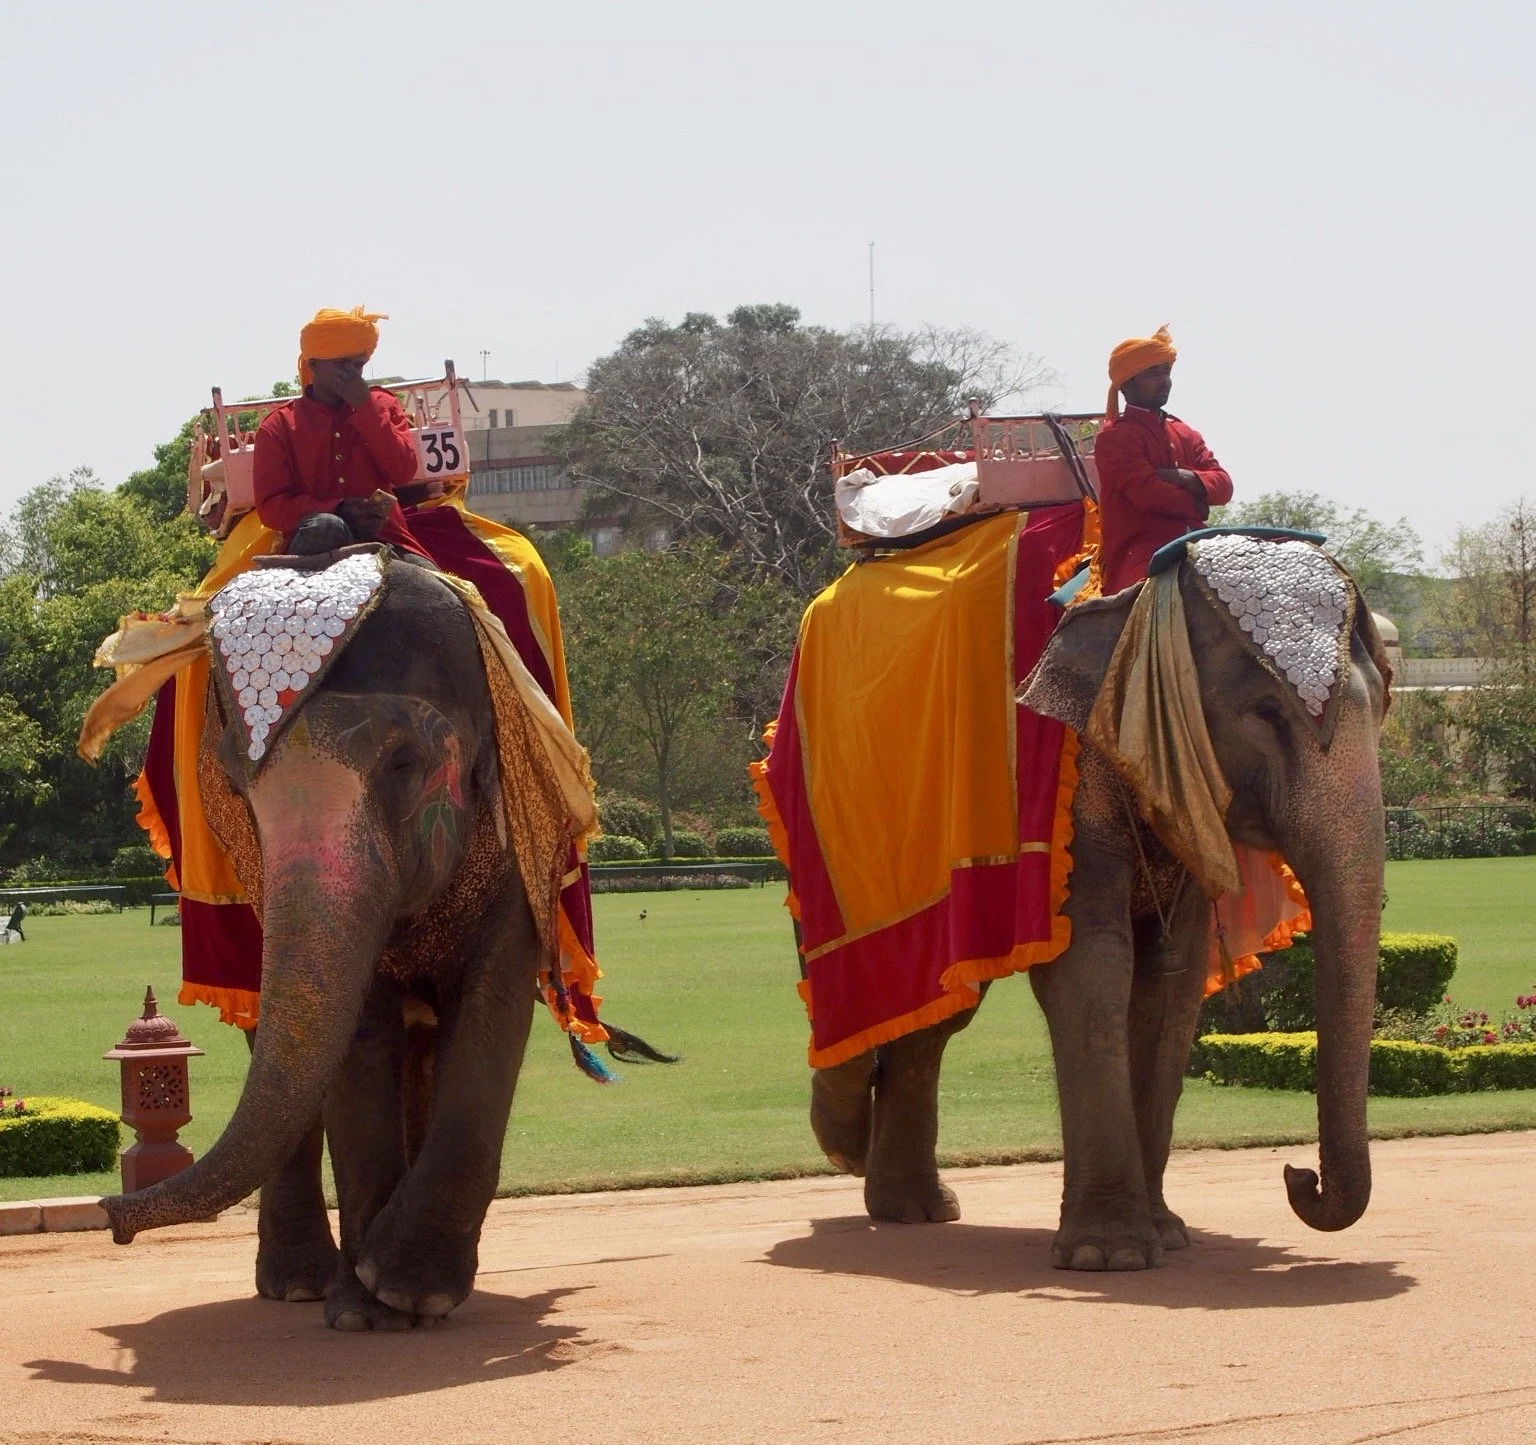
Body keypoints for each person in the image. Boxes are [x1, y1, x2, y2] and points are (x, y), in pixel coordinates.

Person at [253, 306, 429, 555]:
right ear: (314, 364)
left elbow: (403, 472)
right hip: (315, 541)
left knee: (435, 589)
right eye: (341, 364)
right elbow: (270, 508)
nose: (351, 374)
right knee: (328, 525)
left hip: (388, 538)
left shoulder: (383, 404)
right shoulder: (278, 426)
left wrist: (365, 407)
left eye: (357, 366)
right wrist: (335, 508)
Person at [1093, 325, 1233, 593]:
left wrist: (1186, 477)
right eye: (1152, 373)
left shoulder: (1184, 432)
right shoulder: (1115, 438)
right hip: (1142, 555)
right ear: (1127, 384)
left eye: (1166, 371)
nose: (1164, 380)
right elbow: (1148, 494)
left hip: (1198, 543)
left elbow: (1224, 486)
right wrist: (1199, 504)